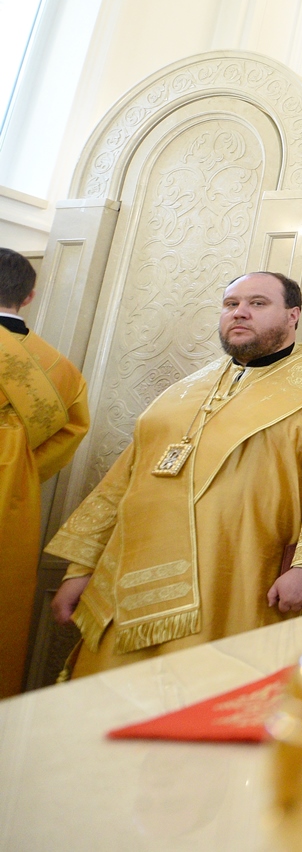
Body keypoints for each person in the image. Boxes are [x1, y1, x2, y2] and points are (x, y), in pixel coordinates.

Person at [46, 272, 302, 676]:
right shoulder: (181, 394)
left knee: (205, 685)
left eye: (257, 303)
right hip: (126, 577)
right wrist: (81, 570)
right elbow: (121, 484)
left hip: (237, 576)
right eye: (231, 304)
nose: (240, 312)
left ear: (293, 315)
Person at [0, 249, 90, 696]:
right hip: (12, 504)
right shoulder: (64, 372)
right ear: (29, 296)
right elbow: (71, 433)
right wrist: (18, 472)